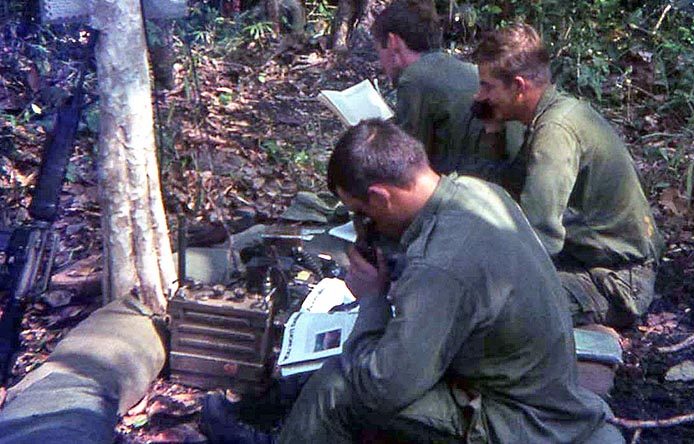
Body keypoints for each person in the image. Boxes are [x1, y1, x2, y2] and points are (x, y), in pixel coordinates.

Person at [203, 119, 623, 443]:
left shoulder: (439, 267)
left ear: (382, 197)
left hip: (522, 422)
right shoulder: (475, 193)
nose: (361, 226)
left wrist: (370, 300)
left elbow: (382, 391)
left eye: (361, 213)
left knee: (338, 384)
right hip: (532, 385)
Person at [472, 24, 665, 329]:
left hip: (614, 280)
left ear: (519, 87)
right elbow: (504, 194)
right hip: (589, 261)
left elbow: (540, 238)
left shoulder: (555, 133)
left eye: (487, 87)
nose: (479, 95)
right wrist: (493, 133)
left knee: (488, 310)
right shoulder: (551, 116)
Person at [371, 0, 499, 175]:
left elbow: (404, 162)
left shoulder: (414, 79)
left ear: (393, 42)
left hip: (468, 184)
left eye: (380, 51)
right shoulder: (455, 66)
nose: (381, 62)